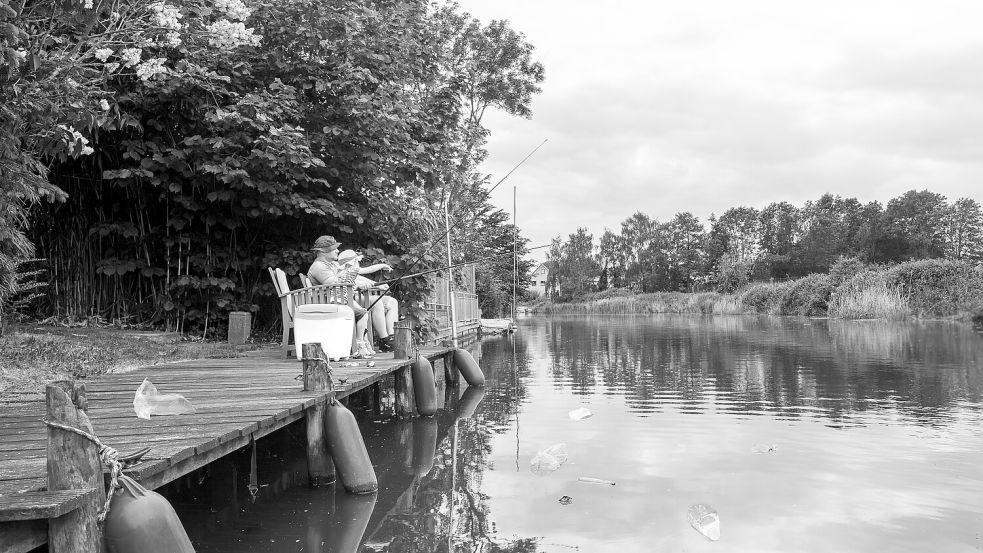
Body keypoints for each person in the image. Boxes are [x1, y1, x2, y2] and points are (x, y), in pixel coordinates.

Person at [307, 235, 398, 351]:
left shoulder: (332, 264)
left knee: (392, 302)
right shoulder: (319, 267)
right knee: (377, 302)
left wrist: (377, 284)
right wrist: (358, 285)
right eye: (334, 249)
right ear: (323, 251)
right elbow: (336, 284)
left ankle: (391, 337)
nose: (337, 251)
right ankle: (384, 340)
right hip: (335, 301)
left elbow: (353, 275)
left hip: (347, 297)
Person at [337, 249, 399, 352]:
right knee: (363, 313)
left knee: (363, 312)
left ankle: (363, 340)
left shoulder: (341, 273)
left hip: (339, 300)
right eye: (357, 262)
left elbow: (348, 283)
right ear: (353, 263)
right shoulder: (352, 271)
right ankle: (360, 342)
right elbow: (369, 269)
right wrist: (383, 265)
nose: (358, 265)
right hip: (346, 300)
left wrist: (358, 285)